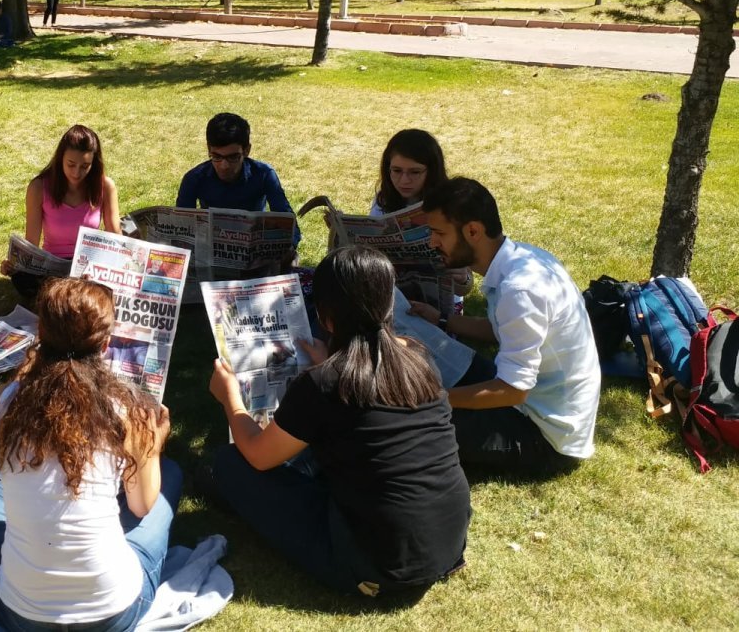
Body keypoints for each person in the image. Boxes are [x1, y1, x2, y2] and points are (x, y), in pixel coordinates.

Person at [206, 246, 471, 597]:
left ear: (326, 317)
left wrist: (231, 399)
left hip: (375, 570)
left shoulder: (324, 384)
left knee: (227, 464)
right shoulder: (418, 356)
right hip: (449, 545)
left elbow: (257, 455)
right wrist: (329, 359)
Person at [0, 277, 181, 632]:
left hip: (20, 615)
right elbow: (142, 507)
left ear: (40, 334)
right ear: (106, 345)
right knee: (169, 475)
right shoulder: (131, 414)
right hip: (113, 613)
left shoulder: (3, 401)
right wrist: (154, 446)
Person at [408, 177, 601, 476]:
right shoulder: (523, 258)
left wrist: (436, 399)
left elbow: (513, 391)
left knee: (411, 424)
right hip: (531, 403)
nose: (432, 242)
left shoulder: (520, 289)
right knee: (446, 361)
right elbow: (503, 330)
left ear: (473, 231)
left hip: (544, 436)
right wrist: (443, 321)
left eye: (438, 233)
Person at [0, 124, 121, 296]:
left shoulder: (105, 186)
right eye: (71, 164)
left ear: (94, 164)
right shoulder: (39, 187)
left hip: (88, 265)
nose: (77, 173)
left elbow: (115, 234)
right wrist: (16, 265)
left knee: (99, 282)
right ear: (60, 159)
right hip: (53, 266)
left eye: (85, 166)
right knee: (23, 278)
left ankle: (63, 297)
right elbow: (31, 243)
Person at [369, 129, 471, 313]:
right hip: (394, 295)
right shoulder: (383, 200)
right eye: (396, 171)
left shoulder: (452, 205)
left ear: (431, 171)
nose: (404, 180)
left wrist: (463, 277)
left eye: (415, 172)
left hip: (440, 306)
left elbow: (465, 286)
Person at [176, 112, 296, 219]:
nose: (224, 166)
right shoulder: (194, 178)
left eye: (233, 157)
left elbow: (288, 222)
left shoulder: (264, 175)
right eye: (216, 157)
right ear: (209, 150)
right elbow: (181, 223)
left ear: (246, 151)